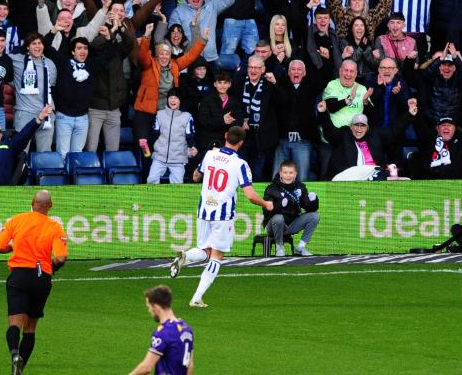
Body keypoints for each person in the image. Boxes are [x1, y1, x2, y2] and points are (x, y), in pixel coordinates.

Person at [169, 126, 273, 308]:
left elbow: (195, 177)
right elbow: (249, 194)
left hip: (204, 211)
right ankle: (196, 298)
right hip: (222, 215)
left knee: (205, 251)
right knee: (216, 256)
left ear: (225, 136)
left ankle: (185, 255)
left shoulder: (209, 155)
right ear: (241, 143)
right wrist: (266, 204)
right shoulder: (240, 164)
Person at [0, 190, 68, 375]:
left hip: (19, 276)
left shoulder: (16, 220)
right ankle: (19, 369)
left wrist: (12, 246)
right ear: (50, 206)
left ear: (32, 203)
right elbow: (60, 258)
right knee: (30, 329)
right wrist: (50, 272)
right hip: (41, 278)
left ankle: (14, 355)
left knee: (14, 324)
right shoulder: (55, 227)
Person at [126, 285, 194, 375]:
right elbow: (190, 366)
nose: (149, 310)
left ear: (156, 307)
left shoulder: (163, 332)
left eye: (149, 306)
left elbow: (146, 368)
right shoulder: (187, 329)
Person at [262, 161, 320, 257]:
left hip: (291, 224)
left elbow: (309, 208)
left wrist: (313, 201)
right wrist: (280, 204)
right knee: (278, 218)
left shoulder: (300, 187)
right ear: (280, 173)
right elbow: (266, 211)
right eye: (285, 172)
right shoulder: (271, 188)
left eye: (291, 173)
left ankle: (301, 247)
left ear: (295, 174)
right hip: (272, 226)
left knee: (314, 216)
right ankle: (279, 247)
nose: (288, 175)